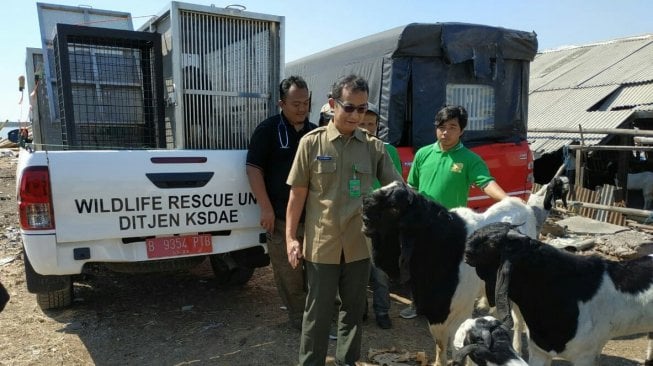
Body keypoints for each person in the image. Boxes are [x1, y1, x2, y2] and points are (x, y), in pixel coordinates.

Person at [285, 74, 402, 365]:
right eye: (349, 107)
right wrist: (290, 237)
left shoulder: (374, 147)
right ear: (332, 104)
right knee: (318, 313)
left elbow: (398, 190)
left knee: (353, 311)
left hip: (359, 245)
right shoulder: (311, 144)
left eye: (362, 109)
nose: (355, 115)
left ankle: (347, 361)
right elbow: (297, 196)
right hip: (322, 244)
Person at [399, 104, 509, 319]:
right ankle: (417, 304)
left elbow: (486, 183)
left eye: (452, 127)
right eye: (441, 126)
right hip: (422, 224)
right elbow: (411, 186)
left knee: (447, 268)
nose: (445, 132)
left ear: (462, 131)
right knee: (419, 266)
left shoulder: (469, 159)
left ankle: (446, 307)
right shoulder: (423, 154)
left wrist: (508, 200)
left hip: (451, 225)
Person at [245, 76, 317, 330]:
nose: (302, 108)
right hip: (280, 218)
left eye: (306, 102)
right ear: (281, 103)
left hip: (314, 219)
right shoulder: (268, 130)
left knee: (317, 274)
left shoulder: (315, 133)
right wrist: (264, 207)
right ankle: (299, 321)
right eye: (295, 103)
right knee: (289, 274)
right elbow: (254, 169)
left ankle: (319, 320)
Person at [358, 103, 402, 329]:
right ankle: (361, 310)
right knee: (358, 271)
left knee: (381, 271)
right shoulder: (351, 148)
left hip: (382, 223)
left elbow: (396, 185)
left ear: (377, 126)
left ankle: (382, 311)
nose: (366, 127)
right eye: (362, 122)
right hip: (358, 219)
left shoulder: (387, 150)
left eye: (371, 124)